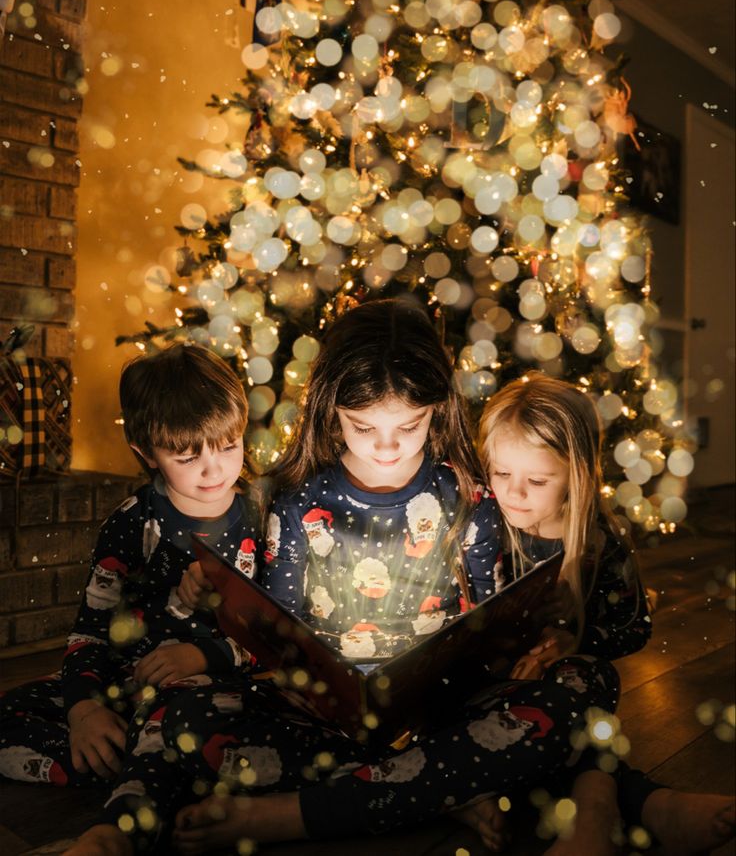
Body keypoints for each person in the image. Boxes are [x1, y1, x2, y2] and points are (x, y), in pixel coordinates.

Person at [158, 299, 624, 855]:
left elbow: (489, 617)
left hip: (445, 713)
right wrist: (293, 679)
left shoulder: (467, 494)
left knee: (580, 689)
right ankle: (444, 787)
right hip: (328, 718)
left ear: (437, 411)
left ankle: (309, 810)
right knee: (187, 713)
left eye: (409, 424)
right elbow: (282, 628)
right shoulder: (299, 500)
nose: (387, 445)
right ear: (331, 411)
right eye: (363, 426)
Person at [0, 343, 261, 852]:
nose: (214, 470)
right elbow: (91, 630)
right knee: (12, 712)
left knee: (179, 721)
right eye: (188, 456)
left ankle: (123, 822)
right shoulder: (131, 522)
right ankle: (133, 761)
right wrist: (84, 713)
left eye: (229, 446)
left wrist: (201, 652)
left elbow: (280, 636)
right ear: (146, 451)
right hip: (128, 683)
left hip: (211, 688)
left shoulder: (263, 518)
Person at [477, 372, 735, 856]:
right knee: (530, 721)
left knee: (588, 682)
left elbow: (633, 627)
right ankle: (633, 803)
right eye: (500, 473)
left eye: (536, 480)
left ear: (575, 475)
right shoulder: (481, 524)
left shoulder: (599, 541)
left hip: (559, 690)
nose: (514, 493)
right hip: (483, 688)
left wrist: (576, 636)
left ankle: (590, 812)